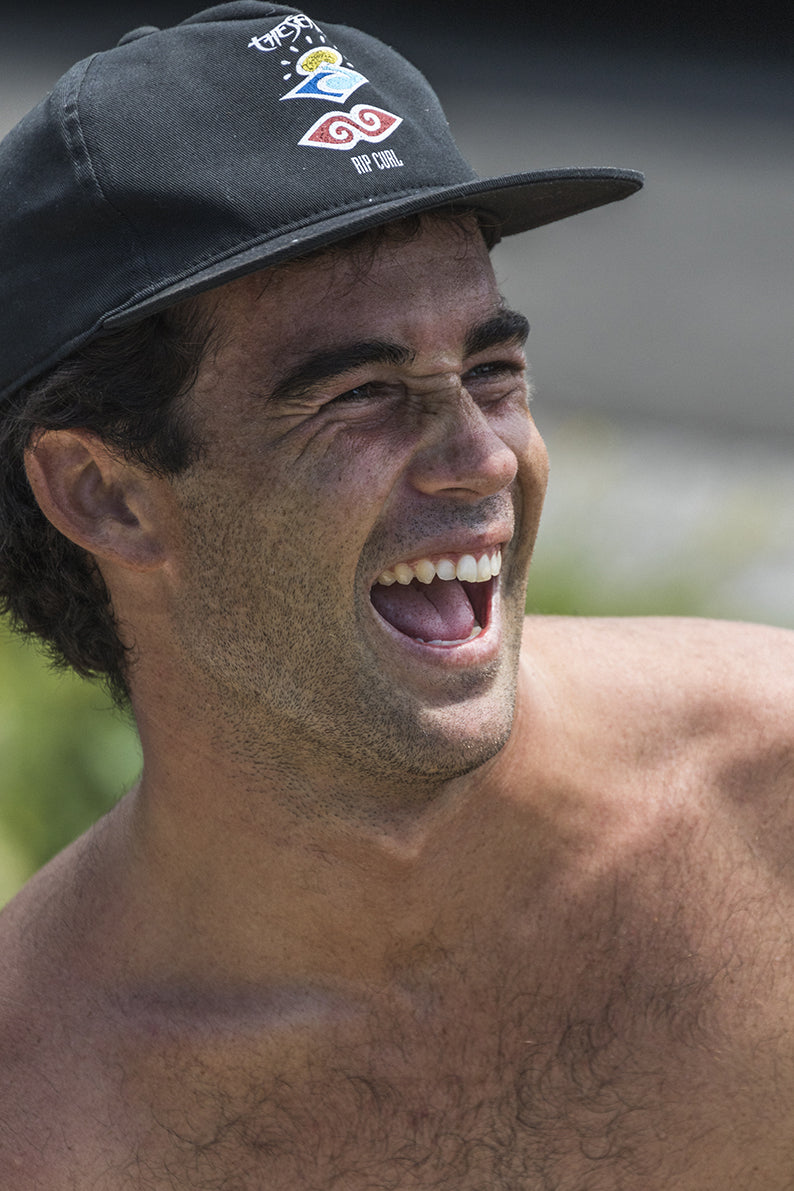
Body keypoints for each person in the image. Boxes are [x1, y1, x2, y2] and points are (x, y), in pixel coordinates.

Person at [1, 3, 792, 1188]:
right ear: (105, 495)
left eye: (491, 370)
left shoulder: (771, 813)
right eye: (360, 393)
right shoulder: (42, 1118)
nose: (477, 457)